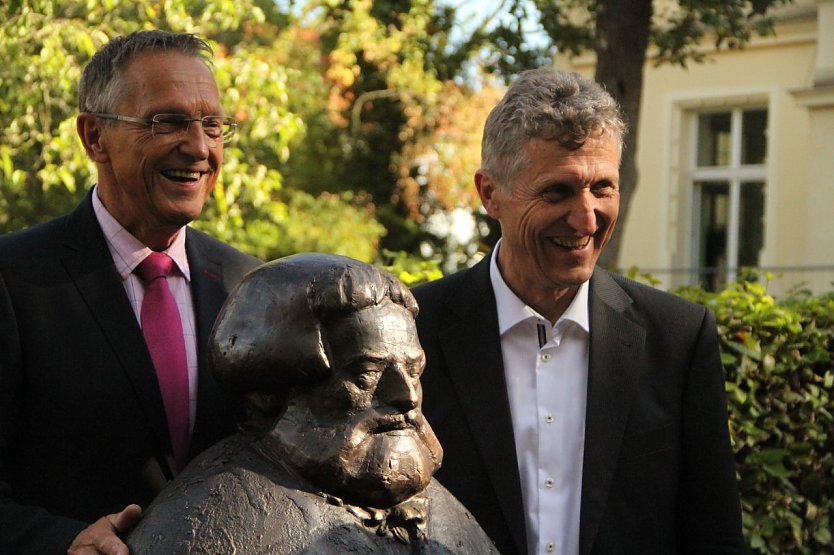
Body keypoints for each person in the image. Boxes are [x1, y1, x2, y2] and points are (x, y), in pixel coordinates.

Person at [412, 68, 745, 554]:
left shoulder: (678, 339)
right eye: (558, 191)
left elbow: (714, 538)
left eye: (603, 188)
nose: (586, 218)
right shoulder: (412, 333)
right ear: (490, 194)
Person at [0, 30, 260, 554]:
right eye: (167, 122)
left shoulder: (250, 286)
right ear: (94, 137)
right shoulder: (13, 279)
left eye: (213, 125)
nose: (200, 147)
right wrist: (62, 543)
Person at [126, 253, 498, 554]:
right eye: (367, 374)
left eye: (414, 372)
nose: (408, 396)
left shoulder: (449, 514)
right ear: (275, 388)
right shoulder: (208, 524)